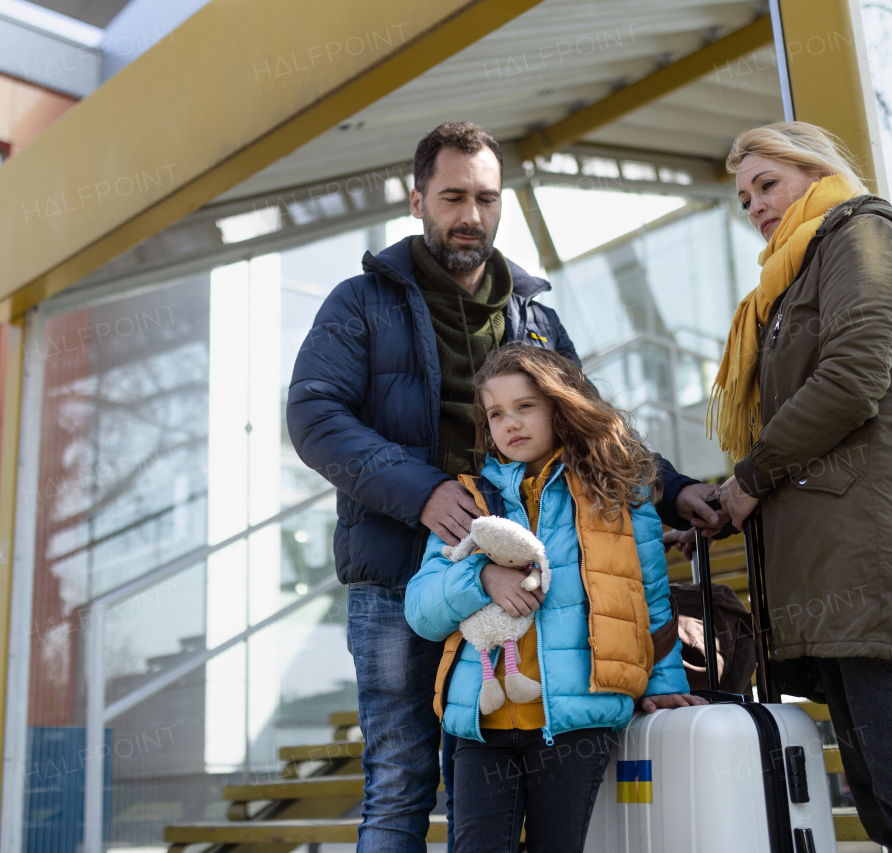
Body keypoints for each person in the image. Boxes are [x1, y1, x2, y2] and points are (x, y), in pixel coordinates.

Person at [286, 121, 720, 853]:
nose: (471, 215)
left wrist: (674, 489)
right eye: (453, 196)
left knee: (476, 802)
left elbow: (594, 426)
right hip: (403, 577)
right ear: (417, 199)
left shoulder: (534, 316)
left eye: (487, 198)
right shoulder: (360, 302)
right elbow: (313, 413)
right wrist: (423, 492)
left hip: (528, 593)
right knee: (397, 786)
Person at [703, 121, 892, 853]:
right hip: (847, 575)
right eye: (743, 199)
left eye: (767, 184)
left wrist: (749, 479)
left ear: (817, 169)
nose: (756, 207)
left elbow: (849, 381)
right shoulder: (795, 273)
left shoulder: (861, 234)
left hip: (882, 569)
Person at [405, 345, 700, 853]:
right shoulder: (469, 499)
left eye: (525, 406)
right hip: (481, 725)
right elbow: (421, 609)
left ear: (561, 405)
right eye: (495, 413)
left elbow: (649, 600)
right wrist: (482, 578)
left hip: (575, 723)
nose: (510, 423)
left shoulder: (619, 491)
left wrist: (662, 681)